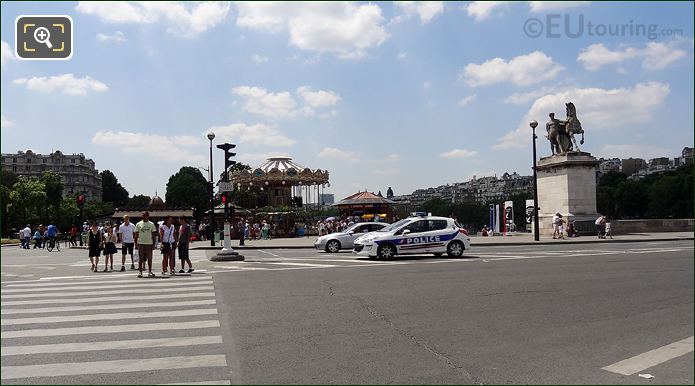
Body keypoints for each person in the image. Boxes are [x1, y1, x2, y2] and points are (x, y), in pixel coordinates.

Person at [135, 211, 158, 278]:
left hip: (149, 243)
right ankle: (140, 272)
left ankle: (150, 271)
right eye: (143, 215)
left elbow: (153, 235)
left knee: (149, 258)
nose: (144, 217)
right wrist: (136, 244)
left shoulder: (151, 224)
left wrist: (154, 244)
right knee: (141, 258)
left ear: (148, 216)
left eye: (145, 215)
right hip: (141, 243)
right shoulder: (138, 224)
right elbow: (136, 234)